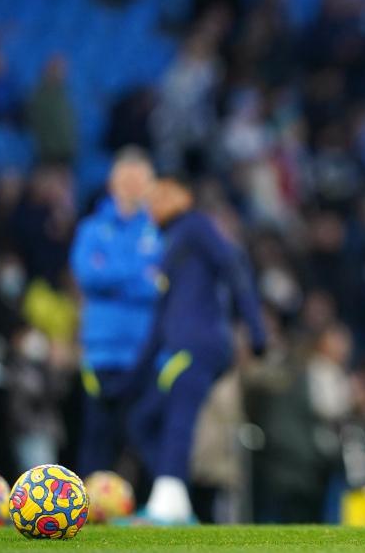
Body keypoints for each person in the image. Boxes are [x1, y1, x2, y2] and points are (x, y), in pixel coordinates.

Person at [133, 178, 267, 523]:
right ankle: (175, 496)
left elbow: (232, 265)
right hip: (180, 348)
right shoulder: (171, 241)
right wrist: (136, 371)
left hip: (199, 344)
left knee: (179, 416)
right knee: (143, 421)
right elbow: (162, 314)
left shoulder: (194, 225)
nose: (151, 205)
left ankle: (169, 503)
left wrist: (255, 329)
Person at [69, 147, 162, 475]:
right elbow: (87, 276)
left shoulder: (160, 229)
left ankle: (149, 505)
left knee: (147, 444)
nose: (133, 186)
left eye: (140, 178)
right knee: (98, 441)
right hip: (102, 354)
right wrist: (139, 273)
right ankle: (87, 504)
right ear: (113, 182)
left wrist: (111, 274)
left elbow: (163, 284)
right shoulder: (91, 229)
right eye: (127, 178)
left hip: (147, 355)